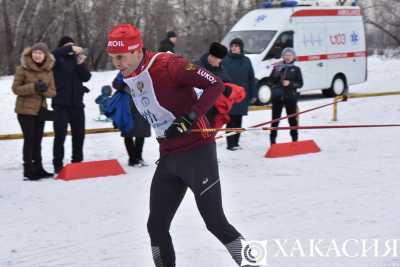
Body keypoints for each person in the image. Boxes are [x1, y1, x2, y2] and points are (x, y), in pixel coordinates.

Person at [107, 24, 257, 267]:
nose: (117, 63)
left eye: (121, 57)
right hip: (168, 156)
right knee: (155, 226)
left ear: (136, 51)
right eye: (113, 58)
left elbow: (215, 84)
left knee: (216, 223)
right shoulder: (130, 73)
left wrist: (190, 117)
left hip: (197, 152)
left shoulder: (169, 65)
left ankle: (254, 263)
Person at [12, 42, 56, 180]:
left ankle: (39, 168)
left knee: (38, 140)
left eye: (40, 53)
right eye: (35, 53)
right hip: (25, 110)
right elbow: (16, 89)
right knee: (29, 139)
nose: (37, 55)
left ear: (45, 55)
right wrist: (34, 87)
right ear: (31, 54)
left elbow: (53, 92)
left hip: (40, 110)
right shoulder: (22, 69)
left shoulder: (48, 71)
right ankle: (28, 170)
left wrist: (44, 90)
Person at [52, 36, 91, 173]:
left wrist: (81, 63)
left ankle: (77, 162)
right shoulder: (56, 59)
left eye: (73, 45)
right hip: (61, 105)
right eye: (68, 46)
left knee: (79, 135)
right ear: (62, 47)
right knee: (60, 136)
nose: (72, 48)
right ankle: (58, 165)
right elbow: (53, 53)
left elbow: (86, 77)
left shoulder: (76, 60)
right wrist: (68, 48)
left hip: (77, 105)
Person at [223, 38, 257, 151]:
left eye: (236, 46)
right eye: (232, 46)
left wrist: (253, 94)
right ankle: (230, 143)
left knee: (239, 119)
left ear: (240, 48)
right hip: (229, 94)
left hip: (242, 95)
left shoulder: (246, 60)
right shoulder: (225, 60)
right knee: (230, 119)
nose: (234, 48)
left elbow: (251, 78)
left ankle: (236, 142)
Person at [112, 72, 151, 167]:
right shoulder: (124, 71)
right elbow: (115, 84)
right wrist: (124, 82)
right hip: (127, 106)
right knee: (128, 133)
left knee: (141, 132)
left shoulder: (145, 70)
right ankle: (132, 158)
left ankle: (139, 157)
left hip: (142, 104)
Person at [268, 47, 303, 145]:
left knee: (292, 119)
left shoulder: (296, 69)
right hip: (277, 97)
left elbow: (300, 83)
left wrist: (290, 83)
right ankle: (272, 140)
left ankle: (295, 139)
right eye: (285, 55)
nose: (287, 57)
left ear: (293, 57)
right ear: (283, 56)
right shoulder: (277, 67)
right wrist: (275, 74)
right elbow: (270, 82)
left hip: (290, 97)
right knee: (275, 119)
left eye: (290, 55)